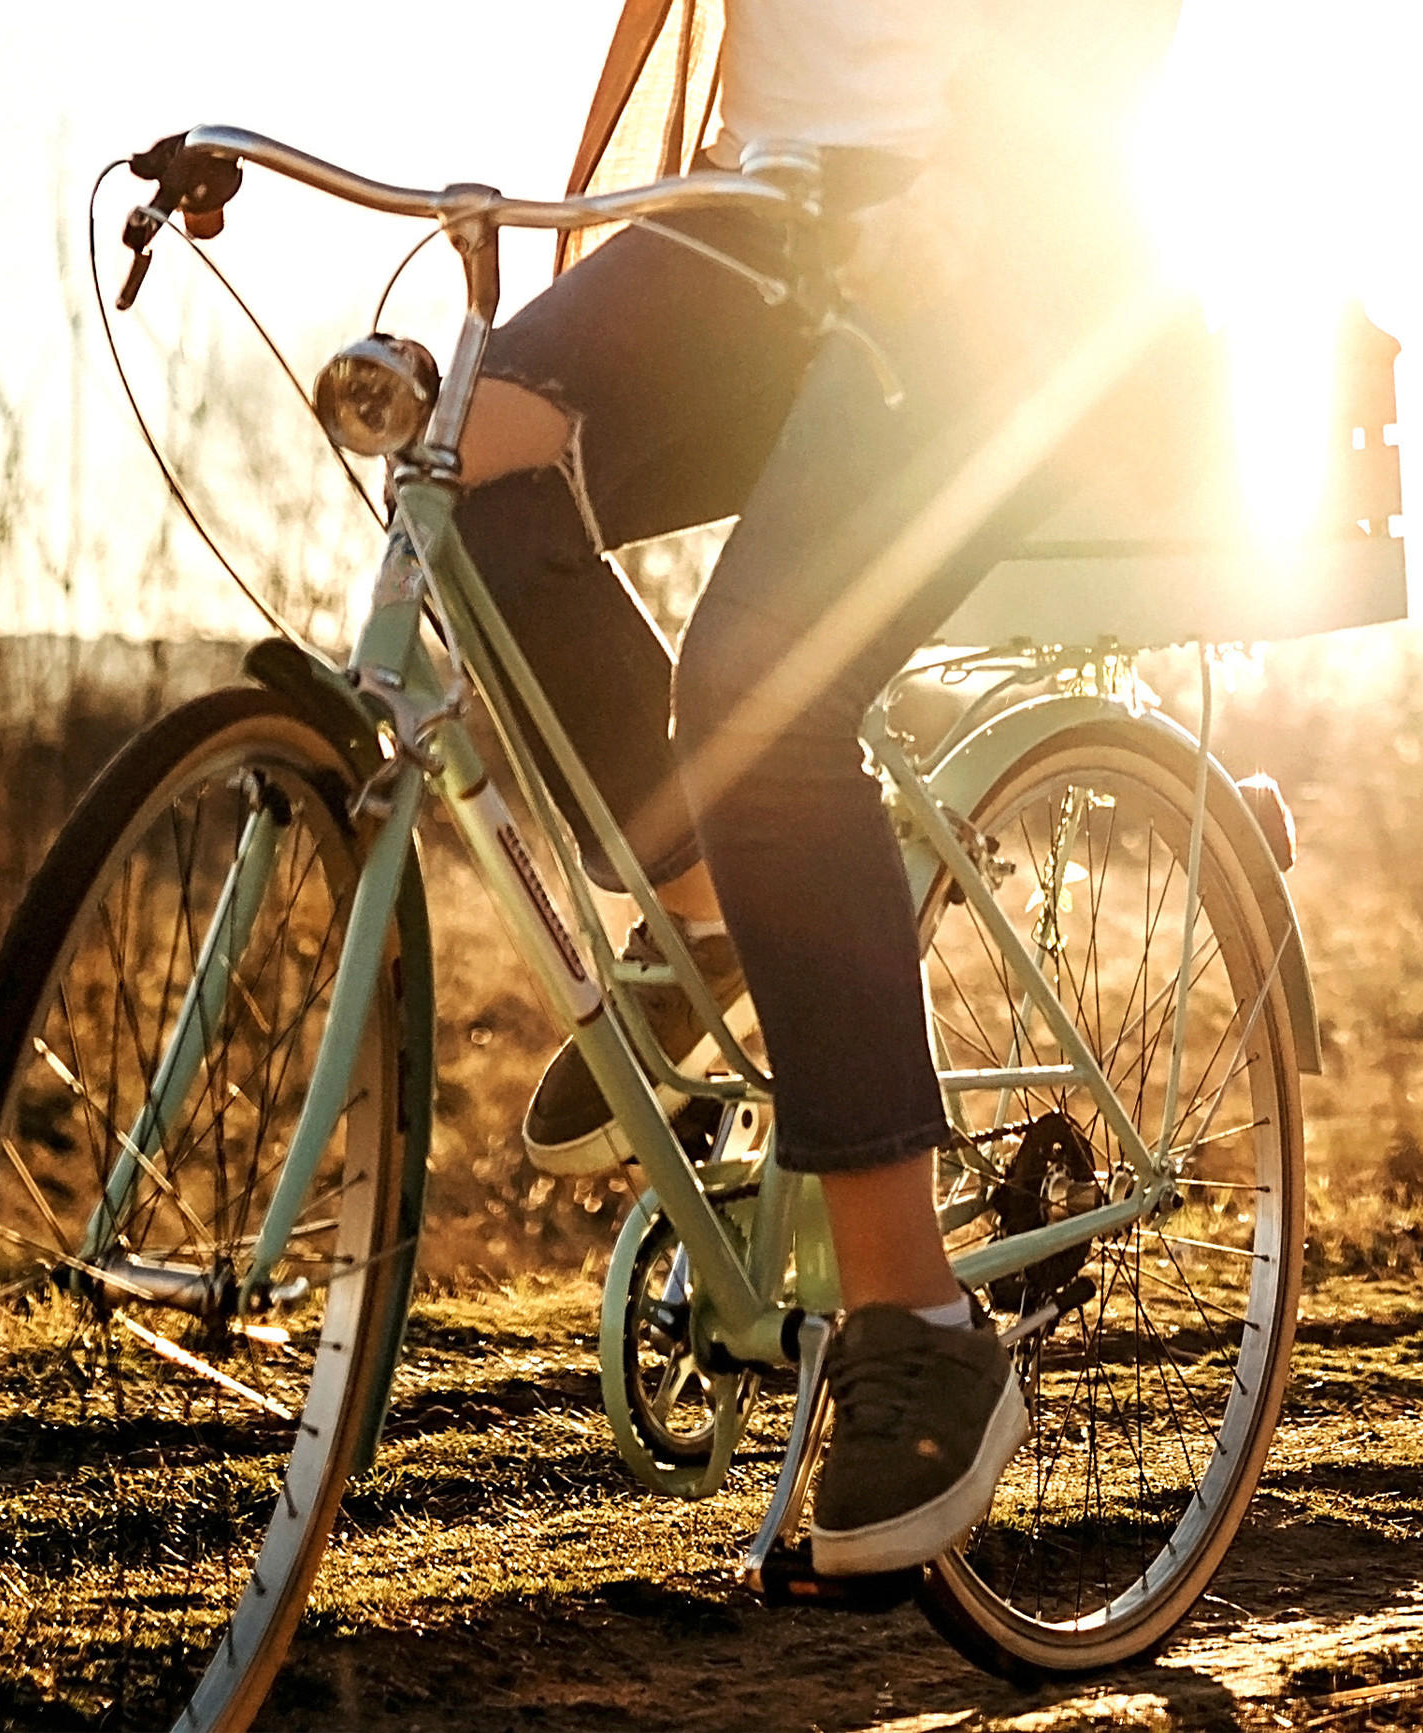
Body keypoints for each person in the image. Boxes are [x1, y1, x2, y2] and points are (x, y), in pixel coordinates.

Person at [455, 0, 1178, 1575]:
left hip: (996, 258)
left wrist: (985, 179)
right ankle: (711, 925)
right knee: (462, 459)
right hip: (754, 215)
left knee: (761, 697)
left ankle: (914, 1310)